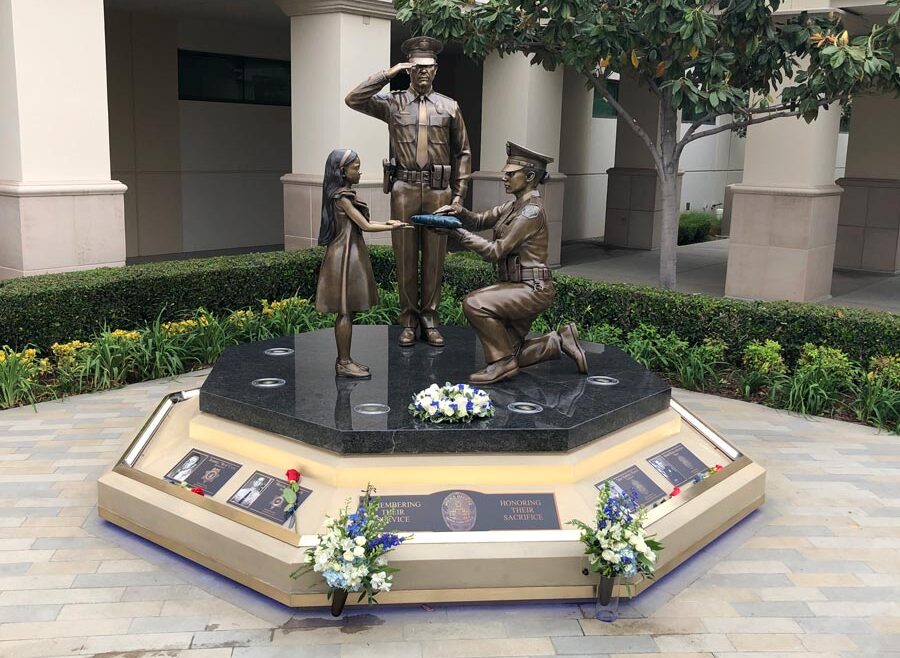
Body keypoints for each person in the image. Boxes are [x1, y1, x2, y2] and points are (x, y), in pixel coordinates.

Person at [345, 36, 471, 348]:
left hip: (439, 190)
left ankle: (429, 318)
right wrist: (388, 74)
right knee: (404, 258)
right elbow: (353, 99)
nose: (422, 72)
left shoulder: (449, 107)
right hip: (403, 188)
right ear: (409, 70)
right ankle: (408, 320)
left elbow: (464, 153)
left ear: (436, 70)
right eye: (416, 67)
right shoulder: (392, 103)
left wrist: (459, 196)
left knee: (434, 260)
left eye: (427, 67)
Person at [435, 142, 588, 385]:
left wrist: (456, 233)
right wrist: (458, 213)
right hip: (517, 286)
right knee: (512, 351)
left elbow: (496, 251)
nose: (503, 177)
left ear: (528, 177)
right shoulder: (512, 206)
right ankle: (559, 341)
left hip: (531, 289)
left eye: (510, 174)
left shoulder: (530, 213)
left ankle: (502, 364)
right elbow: (479, 220)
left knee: (475, 303)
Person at [315, 149, 410, 378]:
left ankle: (345, 359)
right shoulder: (342, 198)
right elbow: (365, 226)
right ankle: (344, 362)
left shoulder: (345, 195)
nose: (359, 172)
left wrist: (388, 222)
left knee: (349, 311)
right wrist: (393, 228)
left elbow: (362, 223)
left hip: (350, 252)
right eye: (355, 168)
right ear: (342, 171)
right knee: (345, 312)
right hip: (344, 256)